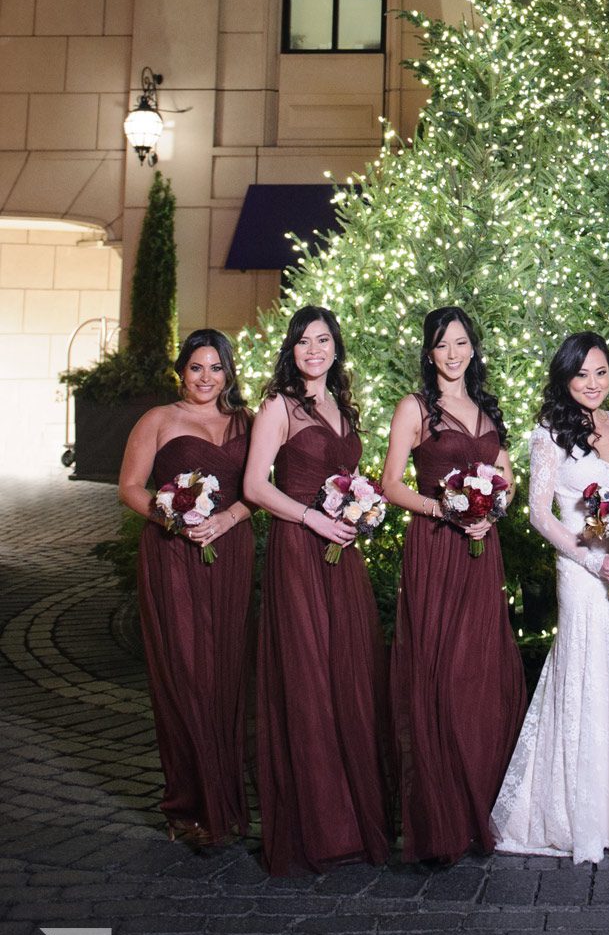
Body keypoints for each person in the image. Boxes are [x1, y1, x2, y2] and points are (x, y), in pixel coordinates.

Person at [491, 332, 609, 864]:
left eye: (602, 372)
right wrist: (595, 561)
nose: (593, 384)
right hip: (583, 573)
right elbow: (539, 514)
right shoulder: (548, 434)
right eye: (582, 375)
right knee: (588, 679)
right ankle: (580, 817)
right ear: (565, 379)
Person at [243, 305, 392, 875]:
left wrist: (361, 510)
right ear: (292, 349)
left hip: (342, 556)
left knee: (347, 676)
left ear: (336, 347)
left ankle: (353, 818)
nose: (314, 350)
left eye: (323, 339)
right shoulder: (278, 407)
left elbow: (353, 479)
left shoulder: (343, 407)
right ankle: (318, 827)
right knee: (306, 679)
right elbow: (256, 485)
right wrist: (311, 520)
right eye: (304, 341)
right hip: (299, 553)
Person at [383, 306, 527, 864]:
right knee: (436, 675)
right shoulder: (415, 409)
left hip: (481, 550)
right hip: (436, 550)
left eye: (461, 343)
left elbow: (509, 478)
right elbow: (390, 483)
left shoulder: (487, 409)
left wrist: (495, 508)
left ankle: (479, 806)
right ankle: (439, 819)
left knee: (480, 675)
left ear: (473, 348)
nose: (452, 353)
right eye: (442, 344)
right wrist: (443, 509)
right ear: (429, 352)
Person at [117, 328, 254, 848]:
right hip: (174, 555)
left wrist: (230, 519)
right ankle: (187, 806)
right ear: (181, 370)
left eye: (215, 368)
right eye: (196, 367)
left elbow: (261, 489)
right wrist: (174, 517)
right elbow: (130, 487)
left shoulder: (248, 422)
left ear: (228, 372)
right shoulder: (158, 419)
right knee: (185, 674)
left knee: (223, 674)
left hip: (230, 553)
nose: (205, 378)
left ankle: (225, 802)